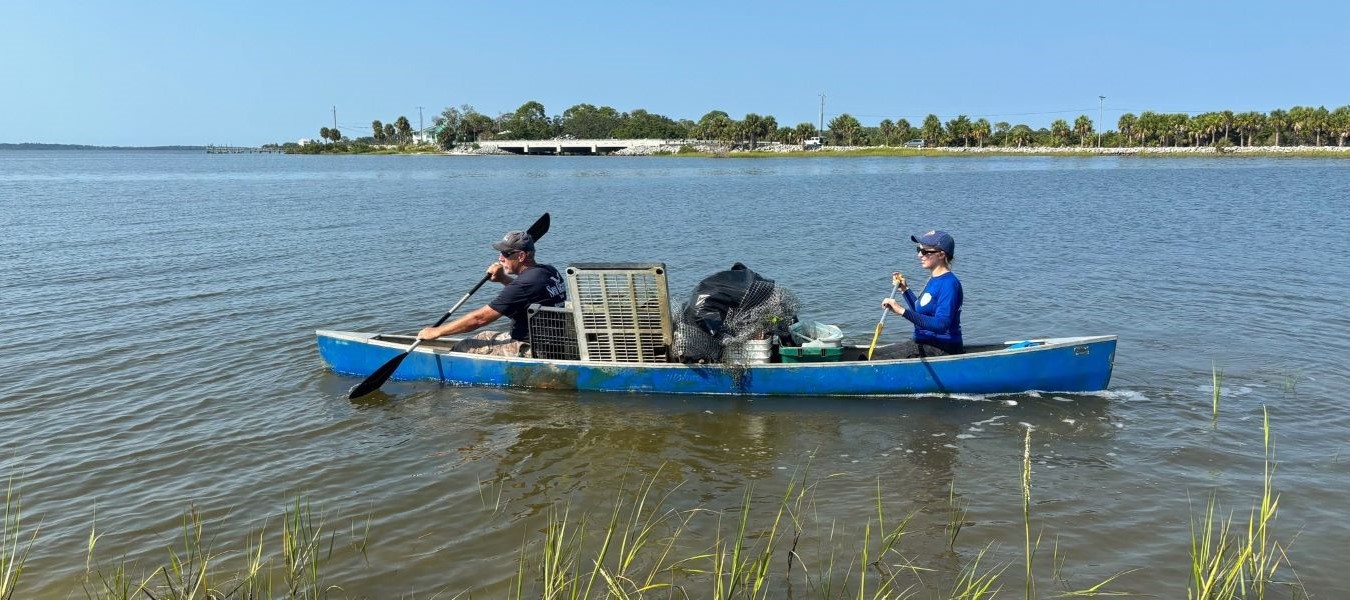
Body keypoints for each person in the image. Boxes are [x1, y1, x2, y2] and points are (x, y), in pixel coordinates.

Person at [417, 230, 566, 356]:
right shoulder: (549, 271)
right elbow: (528, 295)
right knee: (484, 335)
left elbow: (479, 319)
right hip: (552, 341)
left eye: (506, 254)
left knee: (464, 347)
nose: (500, 258)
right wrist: (503, 278)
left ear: (521, 256)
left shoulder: (523, 284)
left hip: (531, 347)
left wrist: (436, 332)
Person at [878, 230, 963, 358]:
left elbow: (941, 324)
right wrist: (905, 290)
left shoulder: (949, 284)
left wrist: (901, 311)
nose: (919, 255)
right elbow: (921, 311)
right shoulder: (934, 279)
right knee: (868, 355)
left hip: (942, 348)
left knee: (875, 360)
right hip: (924, 343)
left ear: (941, 255)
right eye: (919, 249)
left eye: (924, 251)